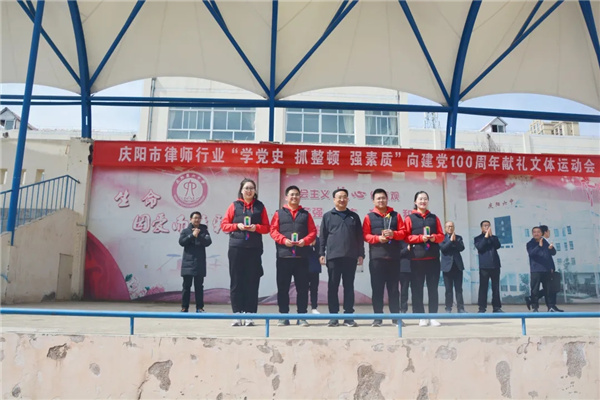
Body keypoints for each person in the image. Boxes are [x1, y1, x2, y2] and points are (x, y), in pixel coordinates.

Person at [221, 178, 270, 327]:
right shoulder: (234, 206)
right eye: (246, 188)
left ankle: (249, 314)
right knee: (236, 281)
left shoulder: (260, 206)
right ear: (241, 190)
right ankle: (237, 314)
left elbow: (267, 227)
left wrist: (256, 228)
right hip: (236, 247)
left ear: (255, 191)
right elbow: (224, 225)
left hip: (254, 249)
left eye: (251, 188)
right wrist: (237, 226)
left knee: (252, 281)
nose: (249, 191)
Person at [270, 185, 317, 327]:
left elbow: (313, 232)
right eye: (292, 194)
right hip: (284, 257)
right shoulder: (279, 213)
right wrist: (283, 240)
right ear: (286, 197)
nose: (294, 197)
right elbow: (273, 231)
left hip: (302, 257)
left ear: (300, 197)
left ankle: (301, 316)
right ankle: (283, 316)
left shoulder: (305, 214)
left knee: (302, 288)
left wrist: (305, 241)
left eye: (297, 194)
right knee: (283, 288)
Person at [319, 188, 365, 327]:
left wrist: (361, 254)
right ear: (334, 199)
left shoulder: (354, 216)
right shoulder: (328, 216)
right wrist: (321, 253)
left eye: (344, 197)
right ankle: (333, 316)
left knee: (349, 286)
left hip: (350, 256)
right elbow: (323, 237)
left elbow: (359, 237)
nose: (342, 199)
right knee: (333, 286)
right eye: (339, 197)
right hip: (333, 257)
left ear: (348, 199)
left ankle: (348, 316)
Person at [362, 188, 406, 327]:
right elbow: (365, 235)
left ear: (387, 199)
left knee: (394, 289)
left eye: (383, 198)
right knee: (377, 289)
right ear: (374, 201)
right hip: (377, 258)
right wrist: (377, 238)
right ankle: (378, 318)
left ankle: (396, 318)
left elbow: (403, 232)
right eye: (378, 198)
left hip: (394, 258)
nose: (381, 200)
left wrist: (393, 234)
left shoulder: (396, 215)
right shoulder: (369, 217)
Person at [404, 191, 444, 327]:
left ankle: (433, 316)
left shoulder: (434, 218)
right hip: (417, 259)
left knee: (433, 289)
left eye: (425, 199)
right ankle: (420, 316)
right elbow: (406, 237)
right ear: (415, 202)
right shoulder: (410, 218)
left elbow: (441, 235)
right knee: (417, 289)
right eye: (420, 199)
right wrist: (420, 238)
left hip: (433, 258)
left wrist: (434, 238)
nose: (423, 201)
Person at [179, 211, 212, 313]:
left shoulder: (204, 231)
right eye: (195, 218)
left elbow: (208, 242)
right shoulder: (185, 231)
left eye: (198, 218)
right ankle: (184, 307)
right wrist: (192, 236)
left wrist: (199, 235)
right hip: (187, 263)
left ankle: (200, 307)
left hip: (199, 263)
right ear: (190, 219)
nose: (197, 220)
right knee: (186, 287)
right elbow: (181, 242)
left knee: (199, 287)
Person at [526, 226, 563, 312]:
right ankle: (535, 307)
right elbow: (532, 253)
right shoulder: (530, 244)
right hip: (536, 270)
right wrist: (539, 246)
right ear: (532, 234)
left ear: (541, 233)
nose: (536, 234)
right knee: (535, 290)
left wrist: (551, 249)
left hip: (546, 270)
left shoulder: (545, 242)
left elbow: (552, 254)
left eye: (538, 232)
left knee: (548, 290)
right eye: (534, 232)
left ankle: (550, 307)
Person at [474, 220, 503, 313]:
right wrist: (486, 237)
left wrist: (491, 237)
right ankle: (482, 308)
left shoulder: (494, 238)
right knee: (483, 287)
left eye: (488, 225)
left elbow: (497, 246)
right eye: (485, 226)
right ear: (481, 227)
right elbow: (480, 247)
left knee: (496, 287)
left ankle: (496, 307)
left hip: (495, 265)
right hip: (484, 266)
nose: (487, 227)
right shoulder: (478, 238)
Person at [440, 221, 466, 313]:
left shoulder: (458, 238)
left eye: (451, 226)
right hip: (447, 267)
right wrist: (451, 241)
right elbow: (443, 249)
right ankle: (448, 308)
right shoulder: (442, 238)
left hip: (457, 266)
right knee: (448, 289)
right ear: (445, 228)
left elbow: (461, 248)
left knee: (459, 289)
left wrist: (455, 241)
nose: (450, 228)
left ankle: (461, 308)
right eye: (448, 226)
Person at [308, 237, 322, 314]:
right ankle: (302, 309)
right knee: (302, 290)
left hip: (314, 268)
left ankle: (314, 307)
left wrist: (314, 245)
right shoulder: (301, 237)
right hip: (302, 268)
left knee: (314, 289)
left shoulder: (317, 239)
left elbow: (320, 252)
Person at [399, 241, 412, 320]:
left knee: (416, 291)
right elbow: (396, 253)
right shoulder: (400, 241)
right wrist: (406, 249)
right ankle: (403, 309)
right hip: (403, 268)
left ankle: (416, 310)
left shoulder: (415, 239)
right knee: (404, 290)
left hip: (415, 267)